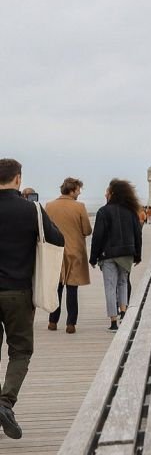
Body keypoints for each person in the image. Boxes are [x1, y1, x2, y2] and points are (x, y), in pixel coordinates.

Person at [0, 158, 64, 439]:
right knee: (20, 351)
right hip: (19, 291)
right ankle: (5, 403)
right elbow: (58, 240)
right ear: (17, 179)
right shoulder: (32, 210)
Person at [90, 179, 142, 333]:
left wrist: (93, 257)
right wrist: (138, 255)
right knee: (123, 283)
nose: (105, 193)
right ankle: (124, 312)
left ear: (113, 193)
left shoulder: (103, 211)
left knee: (110, 287)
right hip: (126, 253)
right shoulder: (131, 211)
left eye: (107, 191)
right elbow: (137, 234)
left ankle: (113, 321)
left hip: (108, 255)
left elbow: (97, 236)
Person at [45, 177, 92, 334]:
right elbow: (87, 230)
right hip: (74, 251)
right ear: (72, 190)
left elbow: (44, 229)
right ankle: (70, 324)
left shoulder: (49, 206)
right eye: (78, 189)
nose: (79, 192)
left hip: (55, 251)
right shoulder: (79, 207)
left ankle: (53, 321)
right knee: (72, 289)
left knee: (56, 288)